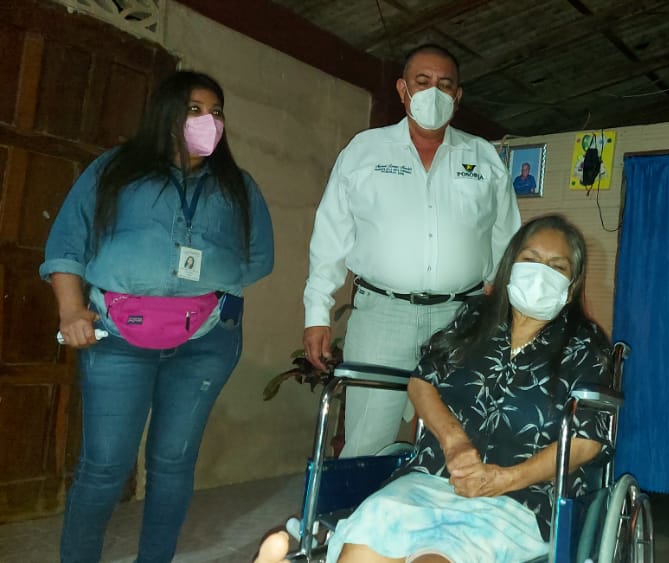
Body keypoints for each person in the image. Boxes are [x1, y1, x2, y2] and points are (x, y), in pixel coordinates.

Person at [259, 215, 612, 563]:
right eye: (530, 260)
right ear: (510, 266)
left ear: (571, 285)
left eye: (556, 267)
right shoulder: (475, 319)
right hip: (432, 477)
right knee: (366, 544)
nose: (540, 273)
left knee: (437, 557)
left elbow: (587, 441)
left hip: (521, 498)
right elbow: (422, 380)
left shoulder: (586, 346)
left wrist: (504, 479)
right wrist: (454, 442)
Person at [41, 71, 274, 563]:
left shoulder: (236, 185)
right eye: (194, 109)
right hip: (115, 336)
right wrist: (70, 310)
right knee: (105, 466)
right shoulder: (114, 169)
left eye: (216, 111)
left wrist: (200, 281)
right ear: (166, 114)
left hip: (206, 341)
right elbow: (66, 242)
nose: (208, 120)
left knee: (172, 464)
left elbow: (259, 257)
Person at [303, 44, 521, 458]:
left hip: (462, 318)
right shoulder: (364, 152)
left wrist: (502, 309)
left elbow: (507, 238)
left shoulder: (484, 158)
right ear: (402, 90)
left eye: (445, 85)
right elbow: (330, 236)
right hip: (381, 315)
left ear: (457, 96)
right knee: (367, 441)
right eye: (423, 82)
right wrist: (317, 313)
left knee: (458, 438)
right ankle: (362, 503)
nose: (433, 93)